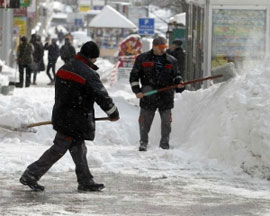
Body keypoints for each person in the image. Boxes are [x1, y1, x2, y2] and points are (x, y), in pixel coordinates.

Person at [19, 41, 120, 192]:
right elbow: (101, 95)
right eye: (95, 58)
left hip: (62, 114)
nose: (95, 61)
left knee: (79, 148)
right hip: (75, 119)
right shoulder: (88, 73)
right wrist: (113, 113)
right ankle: (31, 174)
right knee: (59, 148)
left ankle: (85, 180)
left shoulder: (64, 68)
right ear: (91, 57)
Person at [129, 36, 185, 151]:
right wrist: (137, 91)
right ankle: (143, 142)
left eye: (165, 47)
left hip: (166, 96)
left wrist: (179, 82)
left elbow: (177, 75)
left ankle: (164, 145)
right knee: (145, 122)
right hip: (148, 95)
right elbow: (134, 77)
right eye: (160, 47)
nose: (163, 50)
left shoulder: (172, 60)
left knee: (166, 123)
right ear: (154, 46)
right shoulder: (142, 59)